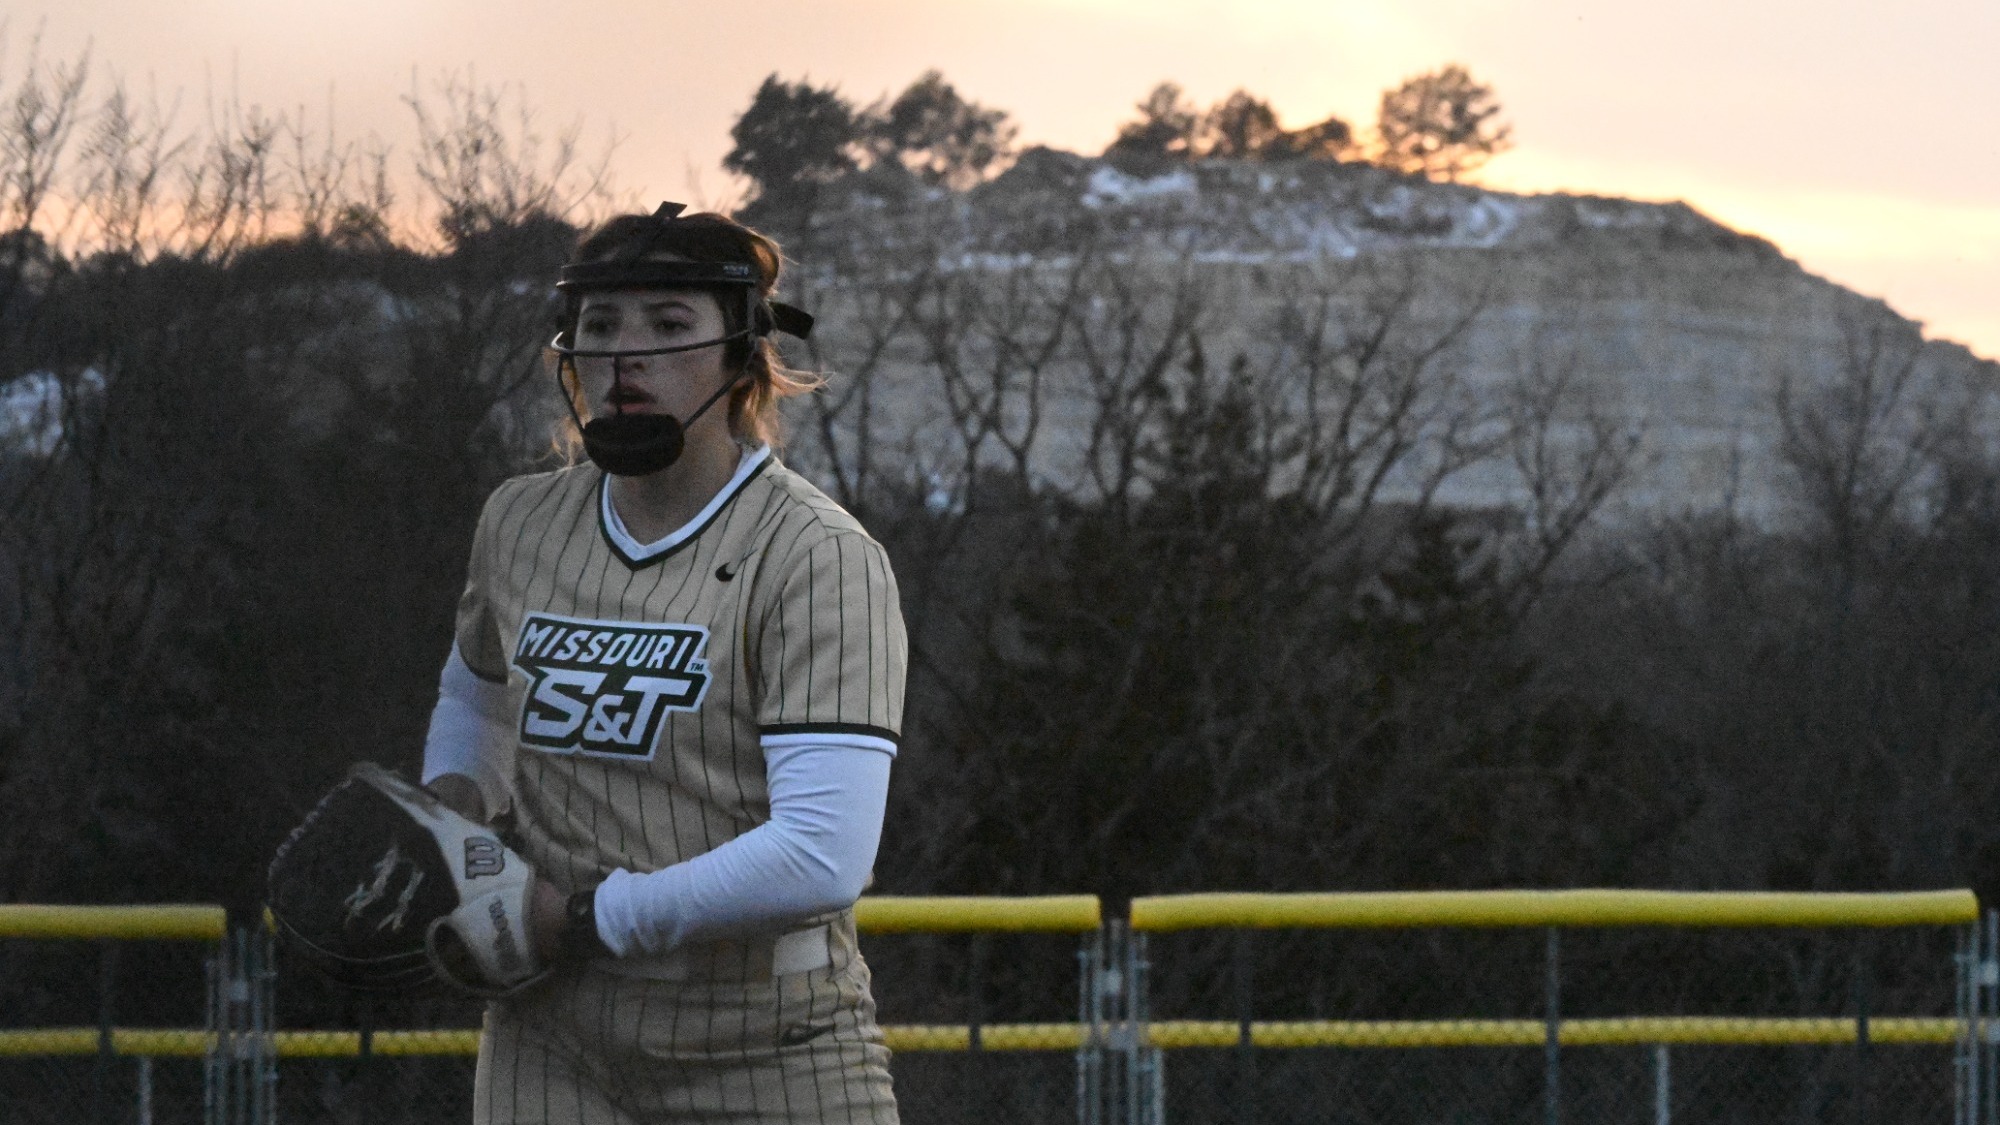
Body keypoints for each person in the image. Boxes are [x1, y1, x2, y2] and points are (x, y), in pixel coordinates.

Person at [419, 203, 905, 1124]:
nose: (624, 354)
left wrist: (581, 917)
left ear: (743, 351)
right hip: (550, 1030)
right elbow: (476, 694)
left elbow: (821, 854)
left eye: (669, 324)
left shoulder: (817, 555)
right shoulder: (521, 522)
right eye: (599, 325)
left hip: (770, 1039)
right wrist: (450, 809)